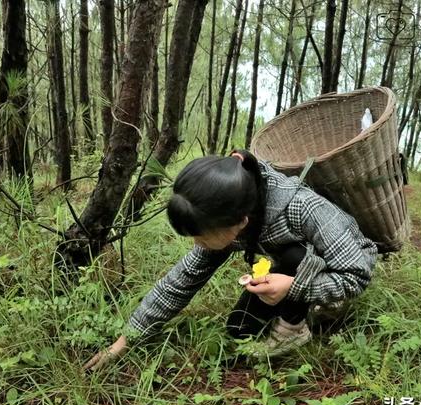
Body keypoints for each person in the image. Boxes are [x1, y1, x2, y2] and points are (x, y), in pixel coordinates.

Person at [85, 149, 378, 370]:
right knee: (240, 330)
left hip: (343, 260)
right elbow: (181, 281)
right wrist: (125, 340)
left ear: (239, 222)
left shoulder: (303, 207)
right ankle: (305, 302)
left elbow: (357, 274)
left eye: (200, 237)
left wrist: (294, 288)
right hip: (292, 265)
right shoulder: (233, 208)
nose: (197, 245)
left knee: (294, 256)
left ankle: (297, 326)